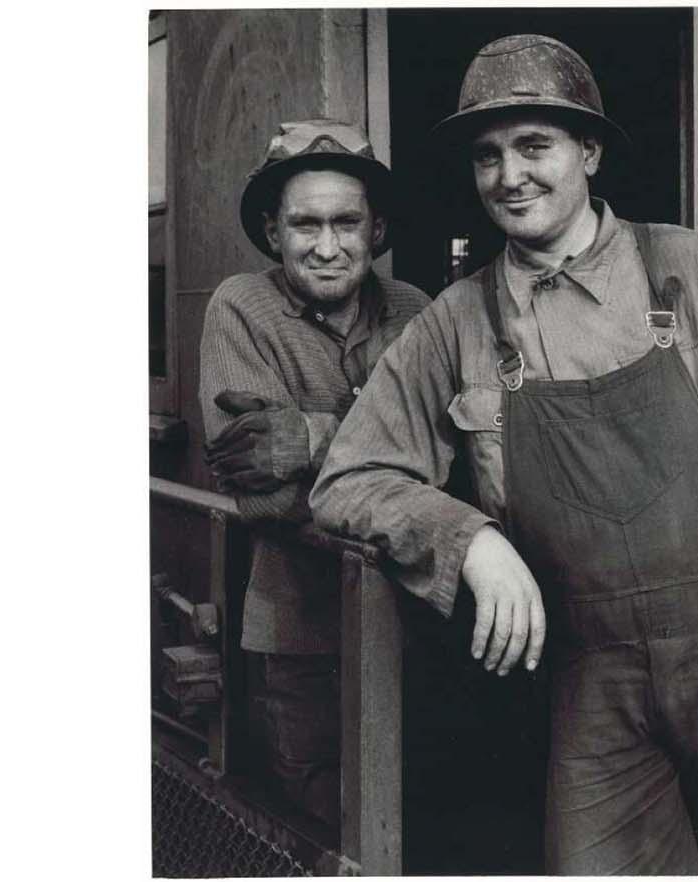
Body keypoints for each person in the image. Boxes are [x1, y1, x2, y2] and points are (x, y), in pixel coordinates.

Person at [310, 34, 698, 875]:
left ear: (590, 152)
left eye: (535, 147)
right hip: (586, 684)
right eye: (488, 156)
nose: (509, 176)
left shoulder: (687, 270)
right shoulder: (457, 323)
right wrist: (468, 542)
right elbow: (349, 477)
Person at [198, 119, 431, 824]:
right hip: (301, 632)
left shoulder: (416, 310)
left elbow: (446, 457)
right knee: (325, 826)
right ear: (274, 233)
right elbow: (262, 494)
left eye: (346, 223)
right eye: (306, 224)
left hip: (416, 627)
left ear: (376, 230)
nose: (327, 246)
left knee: (416, 820)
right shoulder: (240, 306)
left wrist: (310, 436)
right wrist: (394, 475)